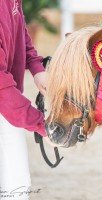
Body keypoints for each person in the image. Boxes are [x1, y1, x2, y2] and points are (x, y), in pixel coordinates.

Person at [0, 0, 47, 199]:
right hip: (6, 100)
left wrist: (37, 69)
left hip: (8, 105)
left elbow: (21, 33)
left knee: (18, 186)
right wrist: (42, 124)